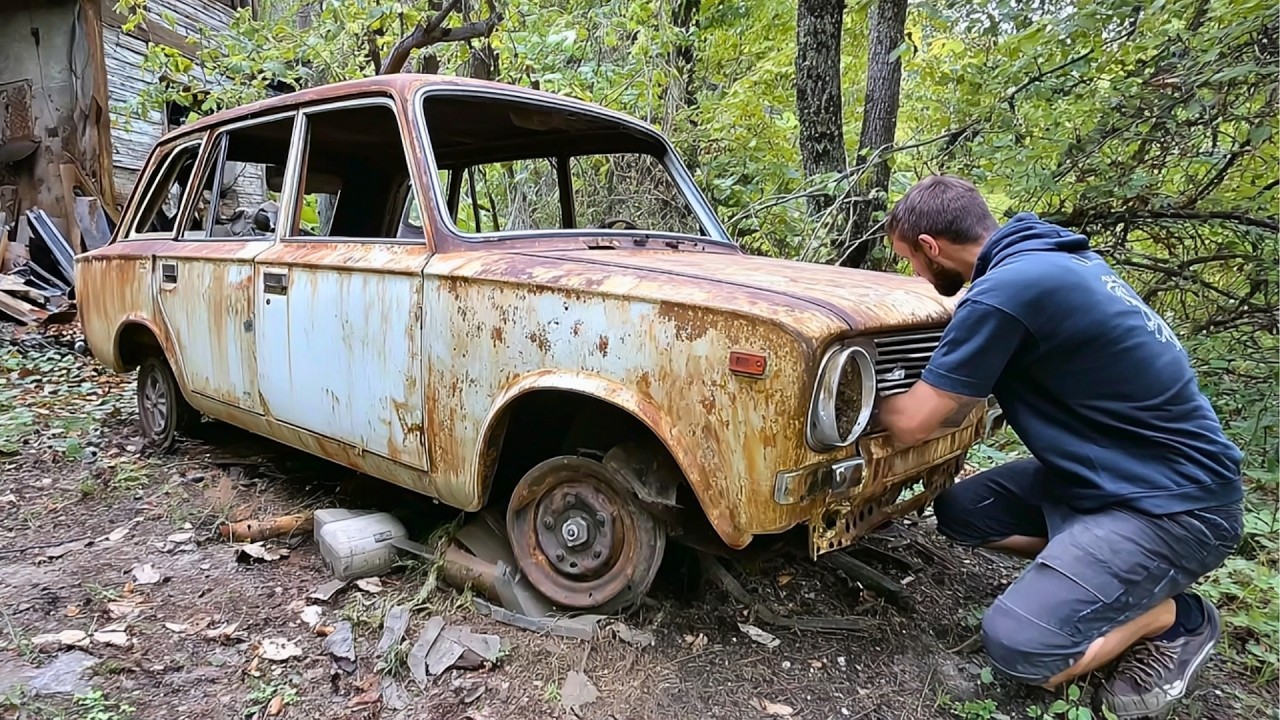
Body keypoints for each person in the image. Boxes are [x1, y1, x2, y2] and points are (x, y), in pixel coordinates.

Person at [874, 175, 1244, 718]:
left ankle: (1172, 617)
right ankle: (1096, 571)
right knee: (963, 510)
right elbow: (957, 399)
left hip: (1177, 507)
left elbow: (913, 424)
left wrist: (845, 398)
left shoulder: (1009, 289)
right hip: (1116, 478)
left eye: (911, 259)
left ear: (931, 246)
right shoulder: (1053, 261)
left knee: (1025, 651)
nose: (916, 273)